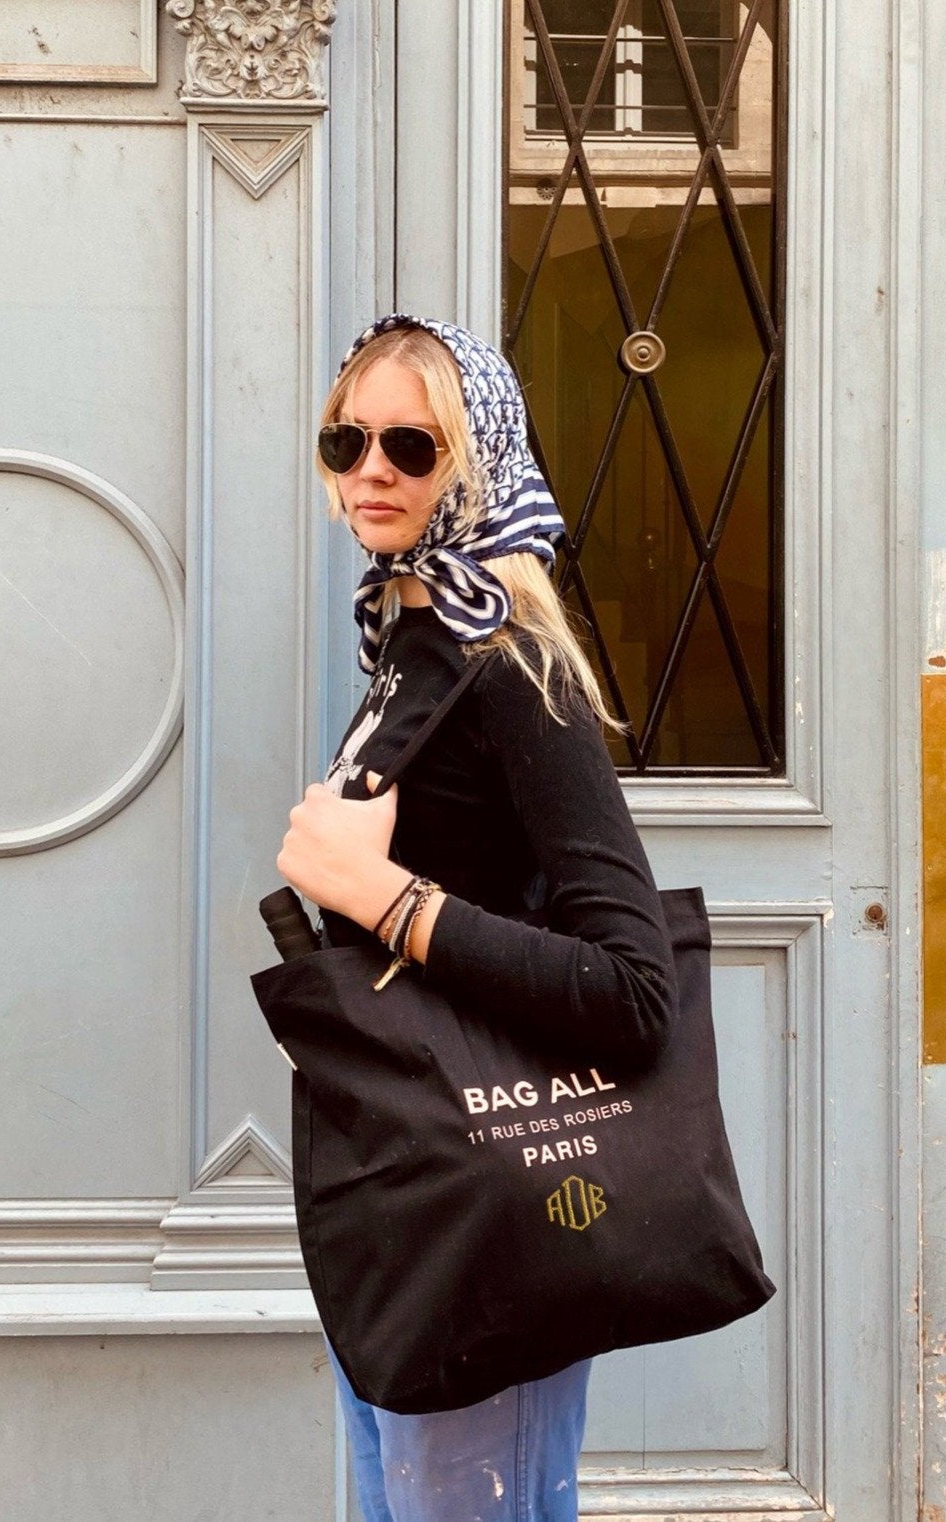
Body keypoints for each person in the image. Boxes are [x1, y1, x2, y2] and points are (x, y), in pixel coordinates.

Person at [275, 313, 676, 1522]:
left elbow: (632, 990)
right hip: (401, 1192)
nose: (371, 470)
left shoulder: (509, 668)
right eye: (346, 440)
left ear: (479, 460)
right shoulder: (413, 643)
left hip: (484, 1206)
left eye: (413, 444)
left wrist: (381, 895)